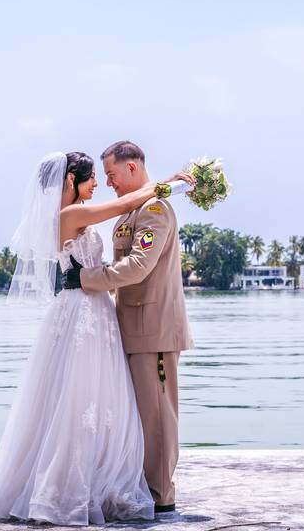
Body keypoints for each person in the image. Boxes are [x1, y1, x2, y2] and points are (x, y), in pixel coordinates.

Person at [0, 150, 193, 526]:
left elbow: (127, 250)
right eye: (93, 176)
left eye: (106, 174)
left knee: (94, 403)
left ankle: (133, 486)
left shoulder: (109, 214)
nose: (100, 183)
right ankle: (102, 488)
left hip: (100, 315)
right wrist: (172, 182)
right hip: (85, 314)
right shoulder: (71, 215)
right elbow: (124, 204)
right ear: (69, 182)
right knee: (81, 403)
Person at [62, 140, 194, 512]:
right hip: (132, 328)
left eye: (112, 174)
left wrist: (85, 279)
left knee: (158, 416)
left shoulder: (154, 211)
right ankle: (143, 486)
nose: (109, 183)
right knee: (141, 415)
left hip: (153, 329)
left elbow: (137, 266)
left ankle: (161, 494)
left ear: (133, 168)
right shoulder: (131, 212)